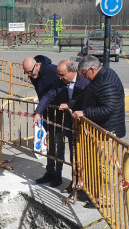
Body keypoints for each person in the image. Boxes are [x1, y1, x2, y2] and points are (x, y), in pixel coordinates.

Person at [33, 60, 89, 192]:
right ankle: (74, 183)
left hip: (84, 125)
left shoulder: (85, 81)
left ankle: (84, 185)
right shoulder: (60, 82)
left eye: (62, 75)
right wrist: (38, 112)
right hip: (68, 124)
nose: (59, 78)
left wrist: (71, 105)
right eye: (58, 75)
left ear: (73, 72)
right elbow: (48, 95)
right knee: (73, 155)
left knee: (83, 156)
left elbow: (86, 97)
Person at [23, 55, 64, 187]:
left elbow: (57, 91)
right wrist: (40, 111)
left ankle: (58, 175)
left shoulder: (52, 71)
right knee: (50, 141)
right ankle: (50, 171)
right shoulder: (34, 76)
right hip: (47, 111)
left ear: (37, 66)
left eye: (30, 71)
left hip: (60, 112)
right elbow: (42, 94)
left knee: (59, 142)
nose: (29, 75)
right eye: (27, 72)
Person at [59, 55, 126, 138]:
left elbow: (107, 109)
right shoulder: (100, 76)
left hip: (107, 132)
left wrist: (84, 113)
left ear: (92, 69)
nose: (84, 77)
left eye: (84, 73)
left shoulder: (107, 83)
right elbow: (87, 92)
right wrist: (70, 104)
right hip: (100, 129)